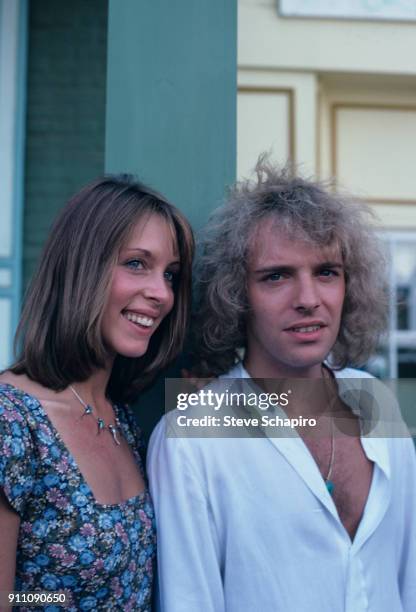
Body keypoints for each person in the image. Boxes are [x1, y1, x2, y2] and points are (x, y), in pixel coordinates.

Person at [148, 161, 416, 611]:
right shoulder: (190, 438)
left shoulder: (377, 402)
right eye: (277, 276)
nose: (308, 299)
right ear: (236, 294)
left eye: (326, 272)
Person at [0, 176, 194, 611]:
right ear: (80, 266)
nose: (161, 293)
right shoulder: (12, 421)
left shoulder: (121, 419)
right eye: (136, 264)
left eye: (171, 275)